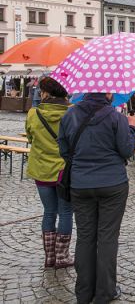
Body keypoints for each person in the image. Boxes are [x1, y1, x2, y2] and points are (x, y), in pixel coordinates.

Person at [58, 93, 135, 304]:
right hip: (112, 184)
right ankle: (105, 292)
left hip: (81, 184)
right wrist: (132, 127)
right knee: (107, 238)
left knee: (85, 237)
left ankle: (83, 293)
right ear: (108, 93)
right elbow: (127, 150)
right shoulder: (116, 118)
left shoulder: (70, 115)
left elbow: (65, 150)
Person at [25, 77, 72, 269]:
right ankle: (62, 257)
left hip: (41, 170)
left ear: (46, 93)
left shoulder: (33, 114)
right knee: (66, 211)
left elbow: (30, 137)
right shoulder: (71, 113)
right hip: (64, 171)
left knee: (49, 212)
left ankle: (49, 257)